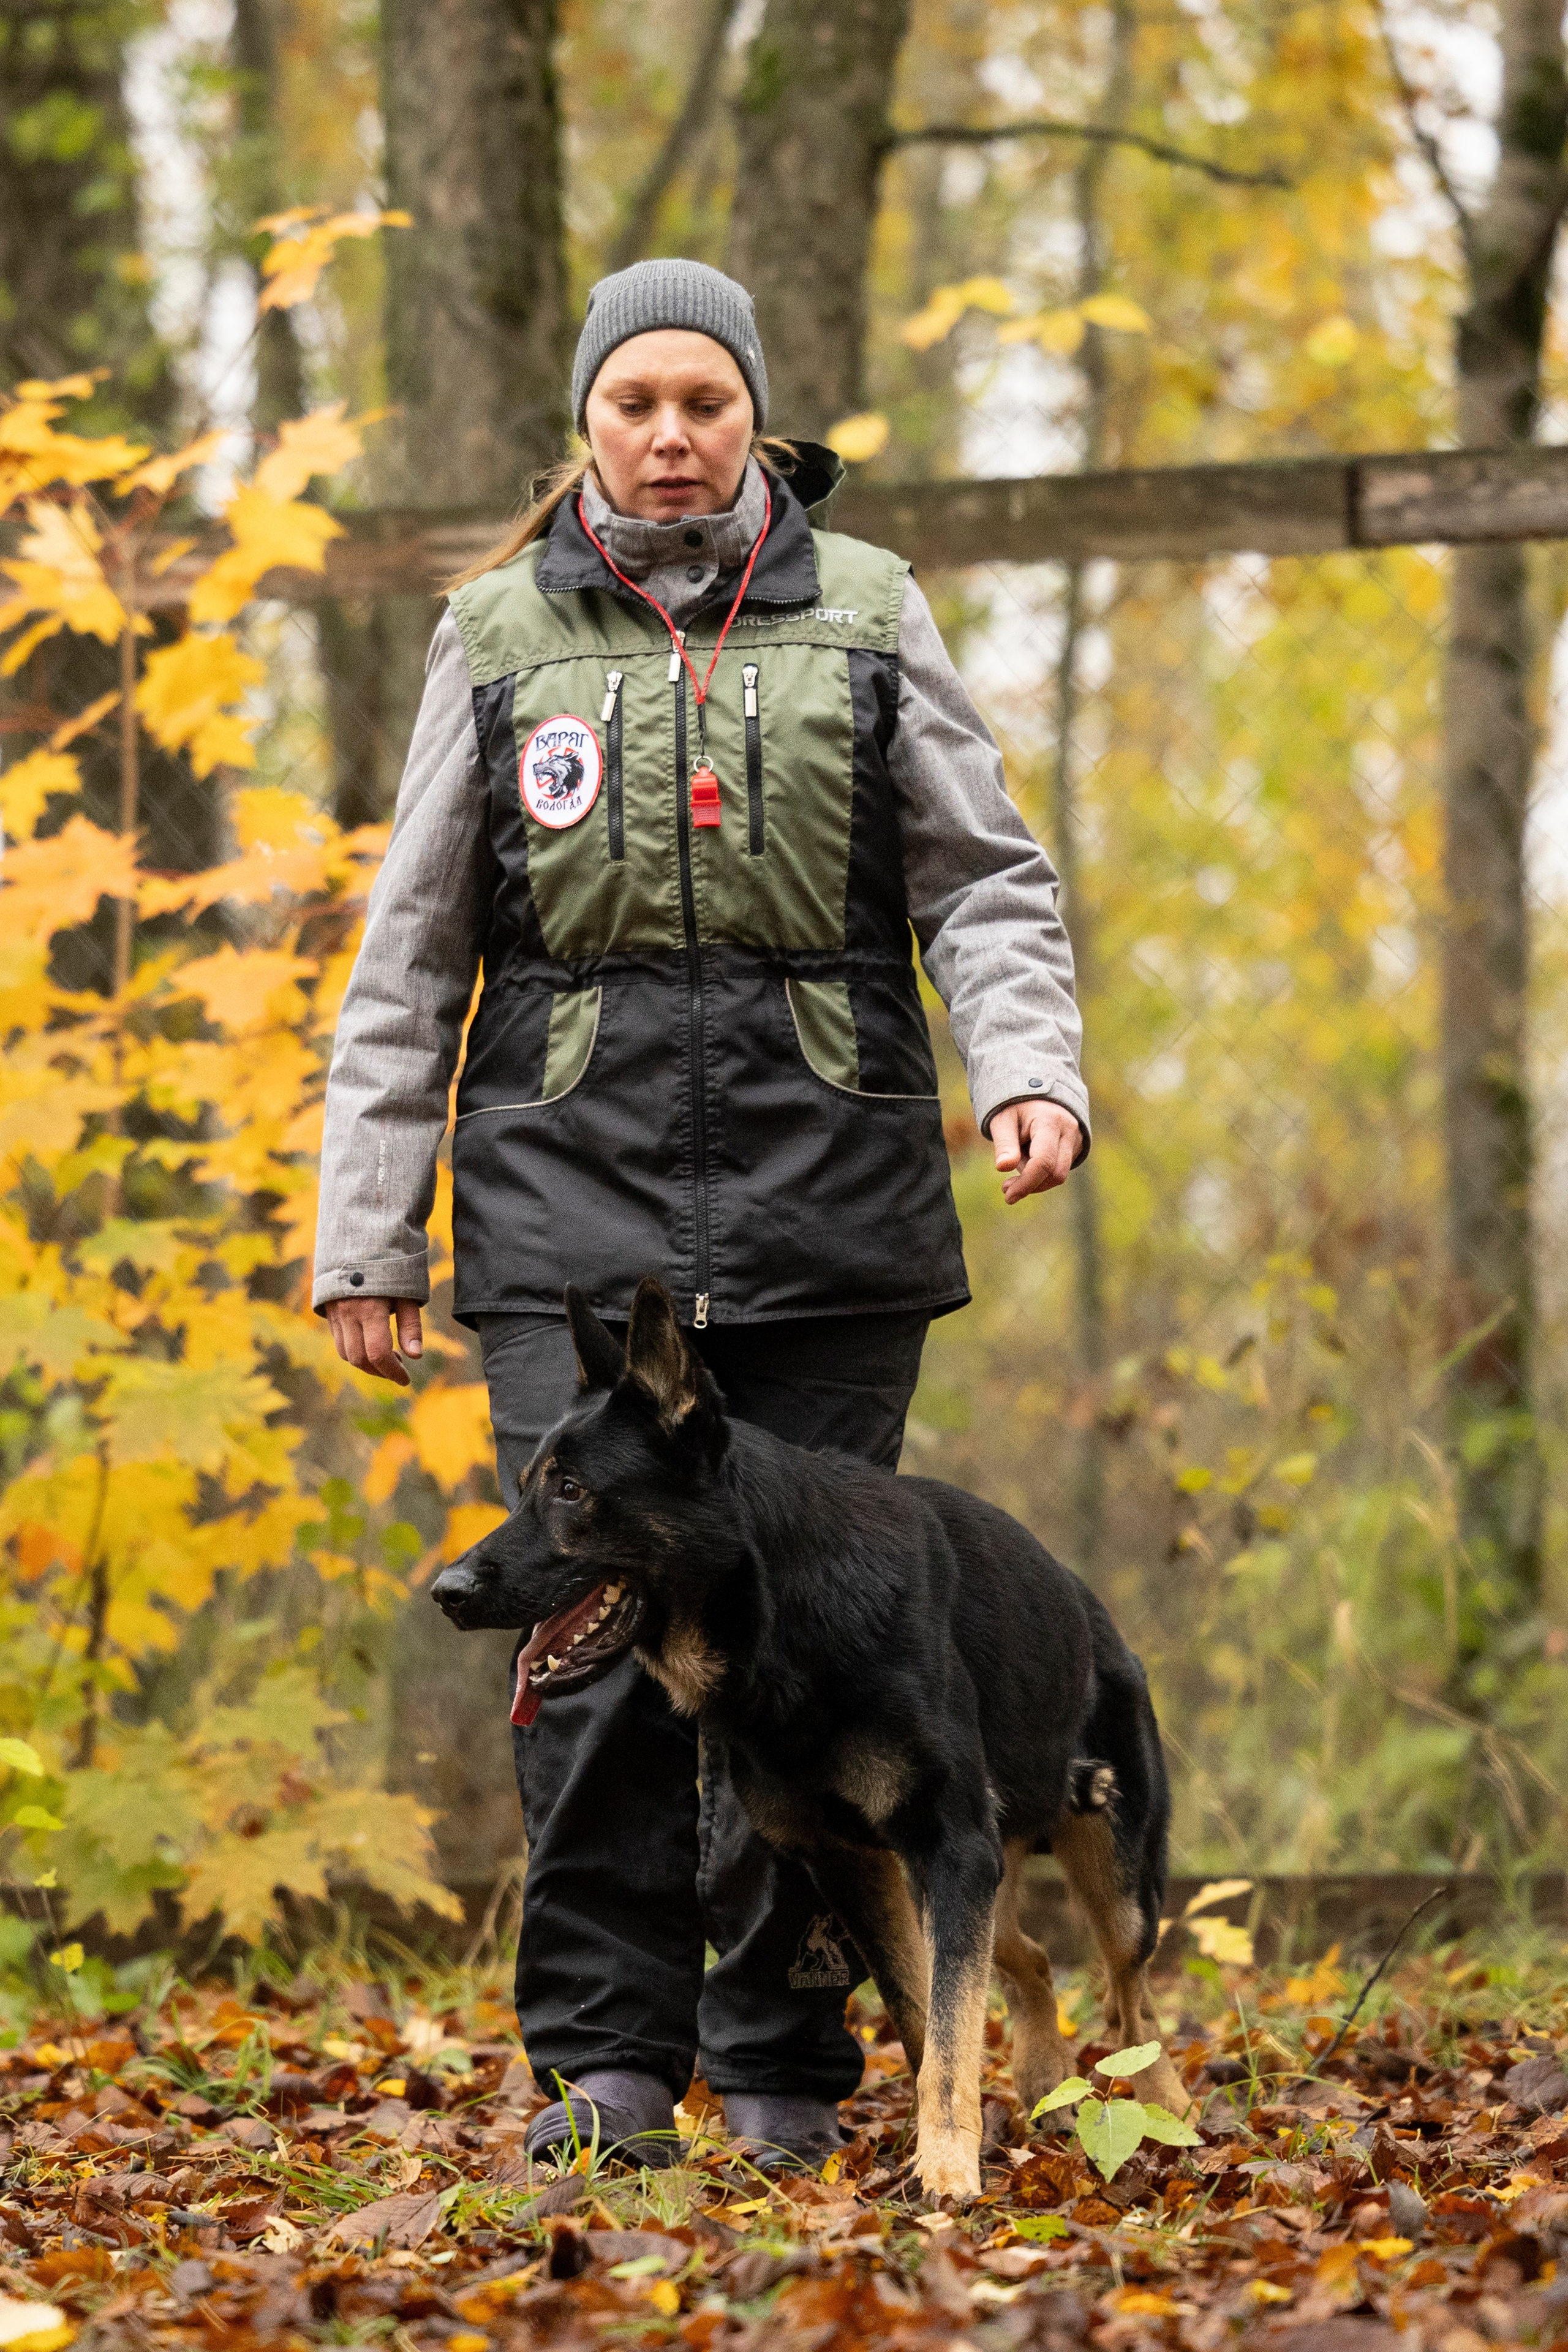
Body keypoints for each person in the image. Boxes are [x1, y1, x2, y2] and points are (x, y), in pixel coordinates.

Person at [314, 258, 1089, 2171]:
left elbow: (986, 880)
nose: (671, 434)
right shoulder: (496, 633)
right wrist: (368, 1233)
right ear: (585, 421)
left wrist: (1028, 1065)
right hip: (566, 1229)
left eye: (705, 403)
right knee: (585, 1659)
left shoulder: (871, 609)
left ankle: (780, 2072)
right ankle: (605, 2067)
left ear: (758, 417)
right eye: (634, 402)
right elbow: (410, 950)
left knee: (814, 1670)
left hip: (832, 1217)